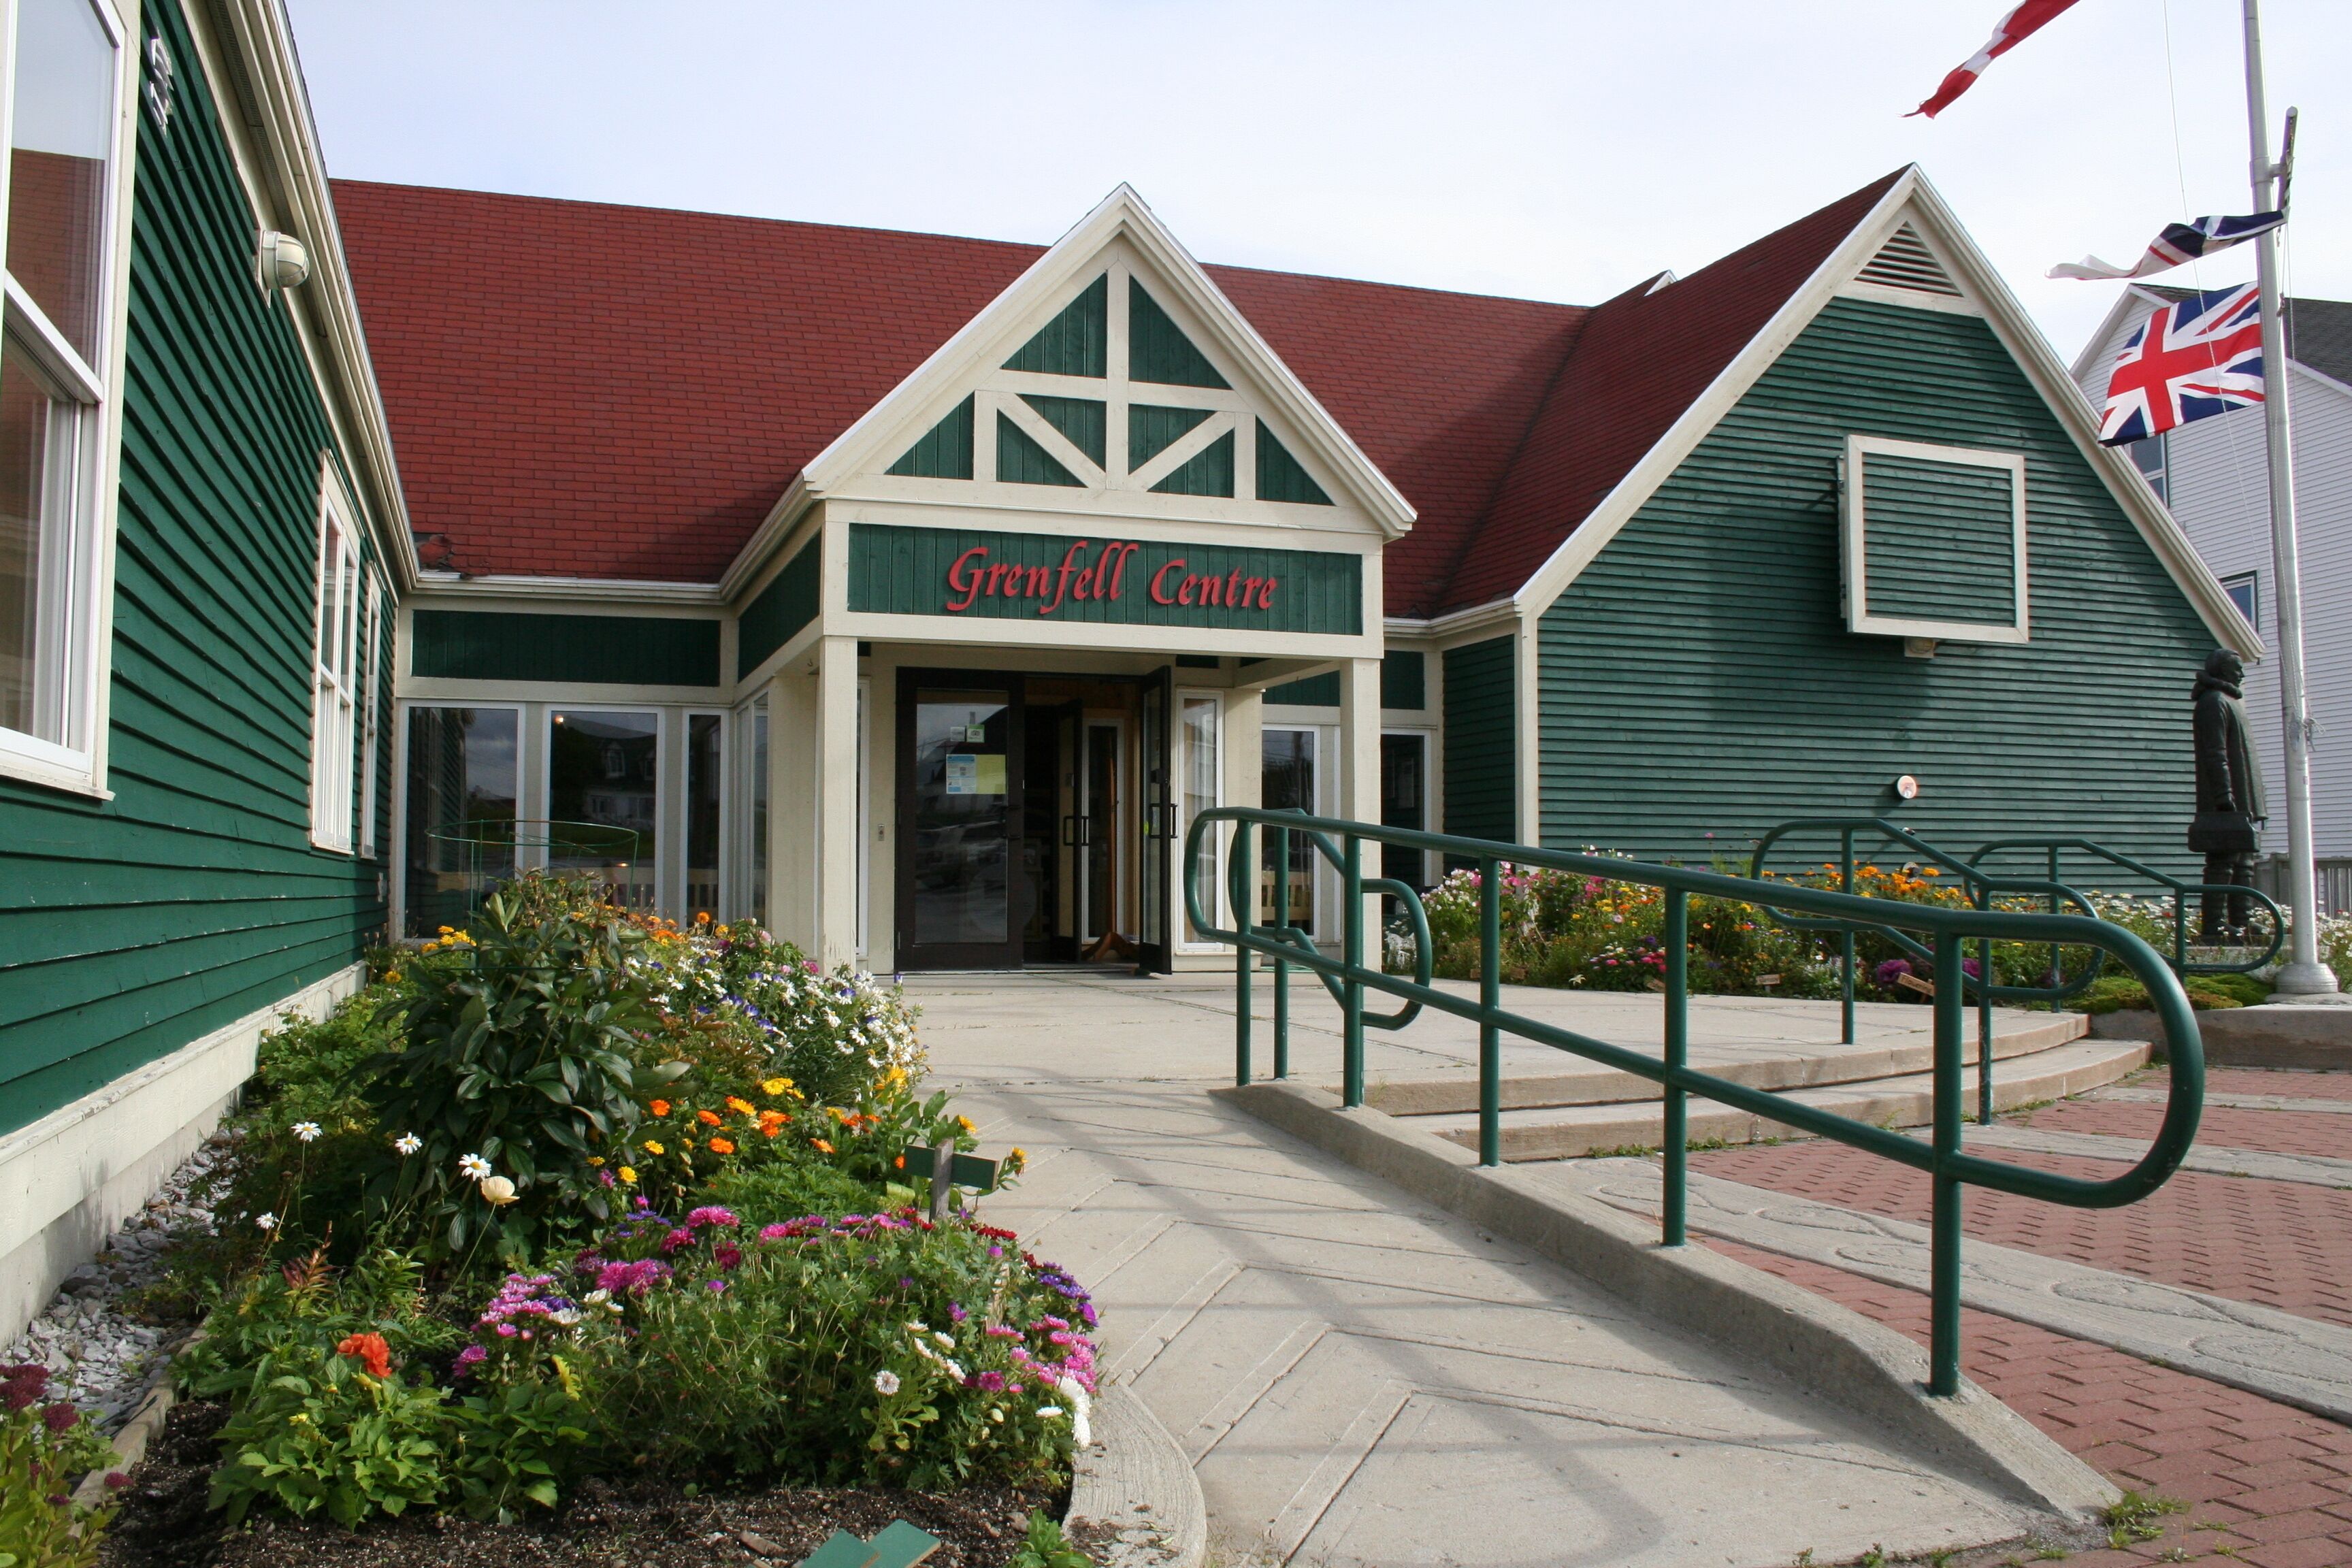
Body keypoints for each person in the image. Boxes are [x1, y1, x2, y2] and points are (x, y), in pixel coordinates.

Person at [2189, 648, 2266, 943]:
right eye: (2237, 668)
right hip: (2225, 799)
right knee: (2222, 862)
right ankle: (2214, 928)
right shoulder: (2213, 702)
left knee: (2244, 861)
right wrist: (2224, 795)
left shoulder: (2232, 701)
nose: (2242, 673)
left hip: (2242, 794)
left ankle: (2240, 924)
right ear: (2222, 671)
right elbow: (2215, 752)